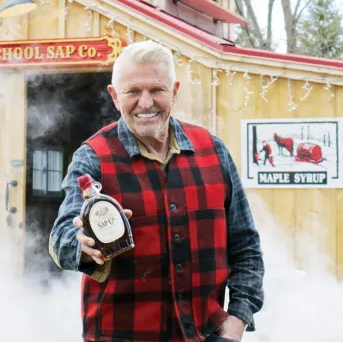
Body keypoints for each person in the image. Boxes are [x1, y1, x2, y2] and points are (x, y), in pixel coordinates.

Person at [49, 40, 264, 342]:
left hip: (207, 334)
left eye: (157, 90)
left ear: (174, 91)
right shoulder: (92, 157)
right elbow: (60, 240)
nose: (146, 103)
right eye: (133, 91)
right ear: (114, 96)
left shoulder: (214, 151)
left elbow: (246, 246)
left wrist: (237, 321)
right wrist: (84, 245)